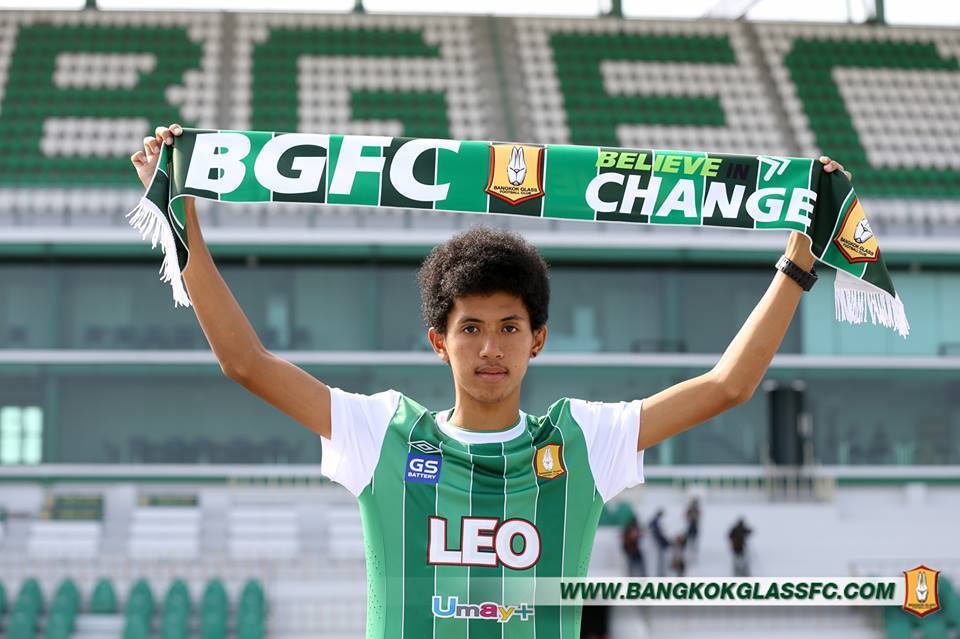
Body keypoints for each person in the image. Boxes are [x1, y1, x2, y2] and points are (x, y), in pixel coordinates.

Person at [132, 124, 850, 639]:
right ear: (438, 341)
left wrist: (797, 264)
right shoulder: (381, 431)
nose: (489, 348)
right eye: (470, 327)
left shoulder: (582, 440)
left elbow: (727, 386)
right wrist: (182, 221)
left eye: (509, 327)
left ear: (538, 339)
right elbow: (246, 363)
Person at [648, 509, 671, 577]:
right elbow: (659, 535)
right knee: (659, 560)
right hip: (658, 544)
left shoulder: (655, 522)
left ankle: (661, 573)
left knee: (661, 560)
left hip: (659, 543)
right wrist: (666, 543)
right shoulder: (655, 523)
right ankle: (660, 574)